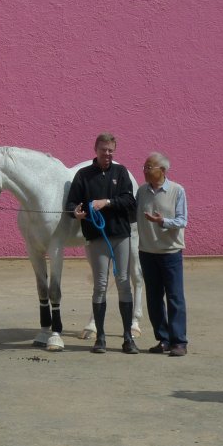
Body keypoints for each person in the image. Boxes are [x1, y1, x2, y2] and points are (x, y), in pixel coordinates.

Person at [67, 133, 139, 354]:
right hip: (97, 237)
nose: (107, 154)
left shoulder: (121, 172)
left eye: (110, 150)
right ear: (95, 149)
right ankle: (100, 337)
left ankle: (128, 338)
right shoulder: (83, 175)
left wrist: (106, 202)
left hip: (120, 235)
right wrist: (75, 212)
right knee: (100, 285)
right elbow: (71, 203)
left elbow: (129, 201)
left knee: (124, 281)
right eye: (103, 150)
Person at [137, 152, 189, 356]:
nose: (145, 171)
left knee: (175, 297)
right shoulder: (142, 192)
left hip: (170, 253)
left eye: (149, 167)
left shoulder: (177, 191)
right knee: (153, 298)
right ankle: (163, 339)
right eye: (144, 167)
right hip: (147, 252)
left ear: (163, 170)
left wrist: (162, 222)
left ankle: (179, 342)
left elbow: (182, 220)